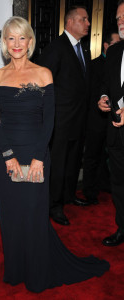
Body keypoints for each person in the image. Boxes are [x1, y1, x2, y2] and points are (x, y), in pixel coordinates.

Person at [0, 16, 109, 293]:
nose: (17, 44)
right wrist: (8, 156)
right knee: (10, 214)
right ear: (5, 43)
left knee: (32, 213)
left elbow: (49, 121)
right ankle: (16, 267)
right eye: (11, 38)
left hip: (36, 152)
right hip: (6, 153)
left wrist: (39, 158)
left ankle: (38, 270)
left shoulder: (43, 73)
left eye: (22, 38)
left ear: (30, 42)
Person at [38, 6, 92, 226]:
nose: (88, 23)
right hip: (60, 121)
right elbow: (41, 83)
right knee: (58, 164)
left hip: (79, 120)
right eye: (84, 19)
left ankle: (69, 195)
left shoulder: (83, 49)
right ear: (70, 22)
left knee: (72, 162)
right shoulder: (55, 48)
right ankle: (54, 205)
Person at [83, 31, 120, 204]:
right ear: (106, 45)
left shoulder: (119, 62)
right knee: (92, 155)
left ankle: (104, 183)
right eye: (115, 42)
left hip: (113, 120)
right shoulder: (94, 65)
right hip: (96, 119)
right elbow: (90, 94)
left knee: (110, 155)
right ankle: (89, 191)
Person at [98, 0, 124, 246]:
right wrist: (103, 98)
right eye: (117, 18)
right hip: (116, 132)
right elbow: (107, 84)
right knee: (118, 183)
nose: (121, 22)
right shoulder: (115, 51)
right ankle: (122, 228)